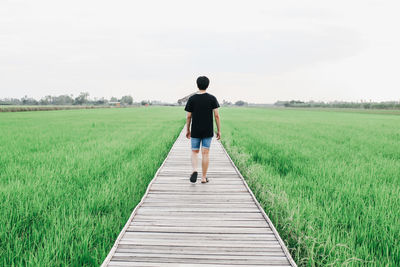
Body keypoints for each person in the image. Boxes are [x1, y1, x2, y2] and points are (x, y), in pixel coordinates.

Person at [184, 76, 221, 183]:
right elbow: (217, 115)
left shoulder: (192, 99)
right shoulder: (212, 98)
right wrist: (219, 130)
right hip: (208, 130)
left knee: (194, 152)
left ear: (197, 84)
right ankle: (204, 178)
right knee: (205, 153)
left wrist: (188, 130)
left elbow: (188, 116)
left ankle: (195, 170)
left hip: (195, 130)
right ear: (207, 85)